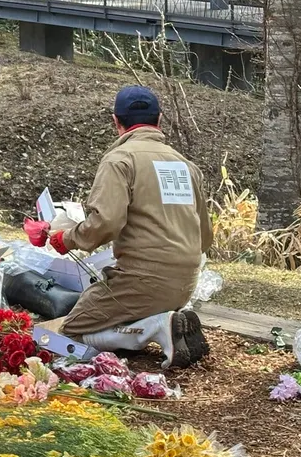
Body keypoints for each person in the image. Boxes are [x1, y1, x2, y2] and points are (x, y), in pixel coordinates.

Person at [25, 86, 212, 369]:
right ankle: (161, 321)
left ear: (116, 121)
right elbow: (205, 237)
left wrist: (68, 238)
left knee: (71, 330)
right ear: (159, 119)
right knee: (117, 308)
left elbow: (106, 223)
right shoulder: (187, 166)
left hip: (141, 281)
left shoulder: (120, 160)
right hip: (187, 283)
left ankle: (156, 328)